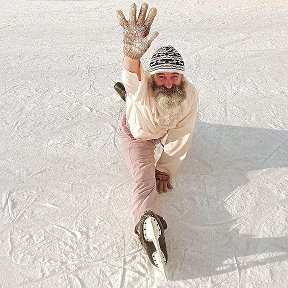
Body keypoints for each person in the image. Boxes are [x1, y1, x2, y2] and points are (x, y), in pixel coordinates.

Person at [115, 3, 198, 269]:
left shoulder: (189, 94)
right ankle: (147, 223)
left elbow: (182, 133)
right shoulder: (143, 86)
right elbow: (132, 75)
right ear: (153, 77)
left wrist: (165, 168)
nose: (168, 82)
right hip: (136, 135)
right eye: (161, 76)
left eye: (174, 76)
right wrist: (131, 55)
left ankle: (128, 101)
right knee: (143, 178)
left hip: (161, 130)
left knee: (172, 125)